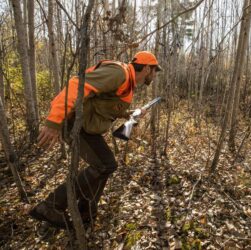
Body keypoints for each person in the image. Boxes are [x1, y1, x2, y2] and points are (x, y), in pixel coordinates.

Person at [29, 51, 162, 230]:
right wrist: (54, 121)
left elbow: (106, 106)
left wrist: (131, 114)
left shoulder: (128, 82)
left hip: (87, 128)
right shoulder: (119, 73)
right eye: (155, 71)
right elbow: (77, 85)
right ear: (146, 68)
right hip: (76, 124)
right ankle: (50, 206)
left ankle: (86, 212)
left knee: (105, 166)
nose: (154, 75)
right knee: (105, 165)